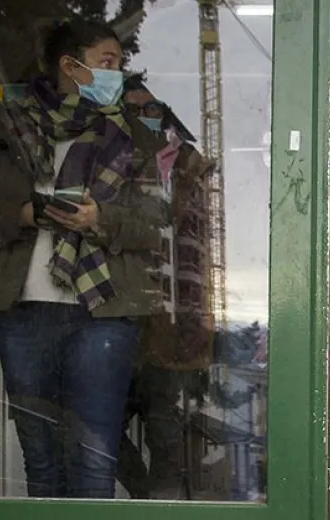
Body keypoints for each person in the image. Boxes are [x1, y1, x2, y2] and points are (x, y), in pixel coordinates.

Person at [0, 19, 169, 499]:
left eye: (119, 63)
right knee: (39, 457)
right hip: (24, 313)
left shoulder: (133, 138)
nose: (117, 72)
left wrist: (98, 219)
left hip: (102, 315)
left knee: (94, 455)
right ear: (72, 66)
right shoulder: (8, 126)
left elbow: (153, 226)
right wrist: (25, 213)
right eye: (107, 62)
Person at [115, 75, 216, 499]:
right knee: (89, 425)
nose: (145, 119)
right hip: (116, 316)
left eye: (152, 110)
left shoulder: (188, 167)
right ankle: (144, 499)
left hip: (172, 325)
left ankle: (159, 506)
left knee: (166, 435)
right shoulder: (106, 156)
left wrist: (198, 325)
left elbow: (196, 256)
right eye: (134, 111)